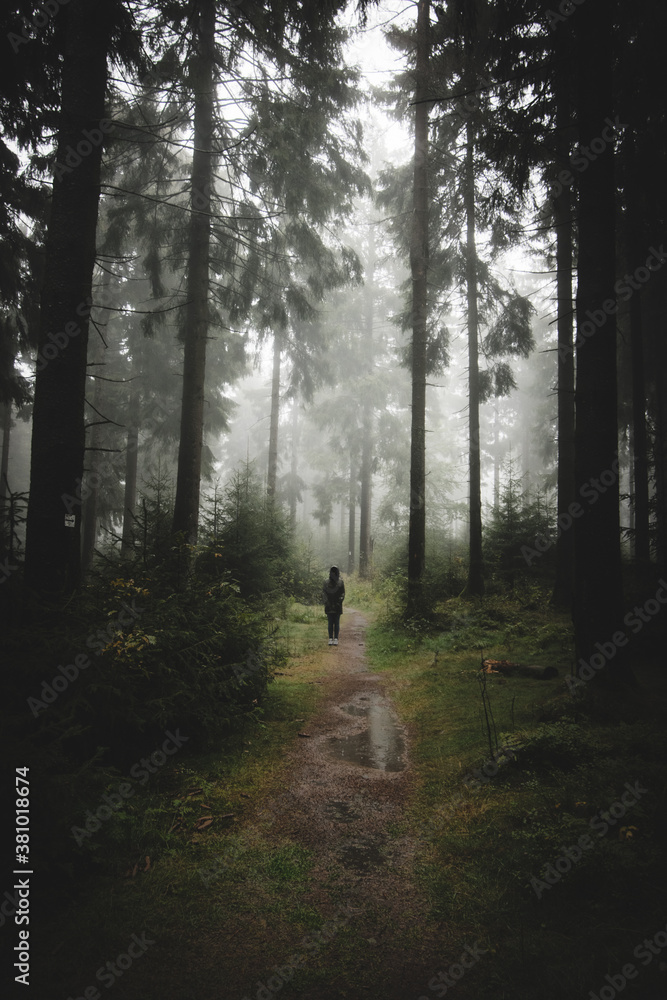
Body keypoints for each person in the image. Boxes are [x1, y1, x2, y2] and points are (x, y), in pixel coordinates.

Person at [322, 565, 345, 645]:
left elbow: (342, 593)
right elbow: (324, 594)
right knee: (330, 623)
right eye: (333, 572)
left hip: (337, 606)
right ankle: (330, 638)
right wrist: (327, 602)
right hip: (329, 605)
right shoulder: (326, 582)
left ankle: (336, 638)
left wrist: (339, 602)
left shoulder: (340, 582)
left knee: (337, 622)